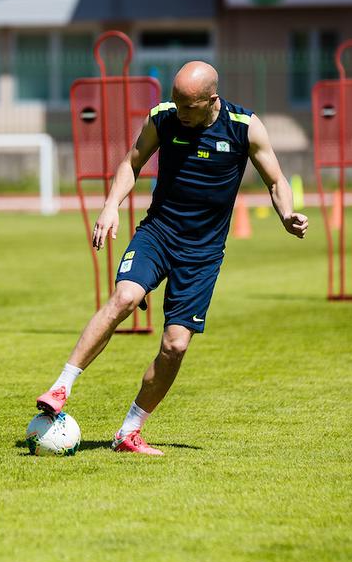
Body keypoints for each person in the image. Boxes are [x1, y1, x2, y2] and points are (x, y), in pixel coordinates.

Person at [35, 61, 308, 456]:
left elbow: (277, 179)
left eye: (187, 106)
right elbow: (131, 163)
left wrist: (286, 214)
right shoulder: (162, 118)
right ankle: (61, 385)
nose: (178, 111)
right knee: (125, 297)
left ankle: (129, 432)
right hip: (158, 234)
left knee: (175, 346)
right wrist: (111, 206)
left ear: (211, 100)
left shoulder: (244, 126)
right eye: (175, 101)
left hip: (203, 253)